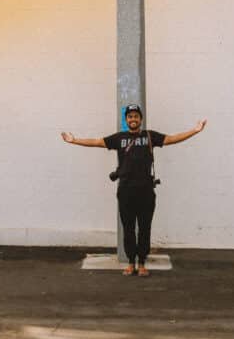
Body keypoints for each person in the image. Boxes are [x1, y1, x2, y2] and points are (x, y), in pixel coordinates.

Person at [61, 105, 207, 277]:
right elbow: (96, 142)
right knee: (128, 228)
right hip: (125, 191)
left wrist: (195, 131)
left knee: (145, 228)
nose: (133, 119)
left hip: (146, 191)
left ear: (141, 119)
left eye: (136, 116)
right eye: (129, 117)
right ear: (126, 120)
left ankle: (142, 263)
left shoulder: (149, 136)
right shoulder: (119, 138)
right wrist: (74, 140)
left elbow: (172, 139)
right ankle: (131, 263)